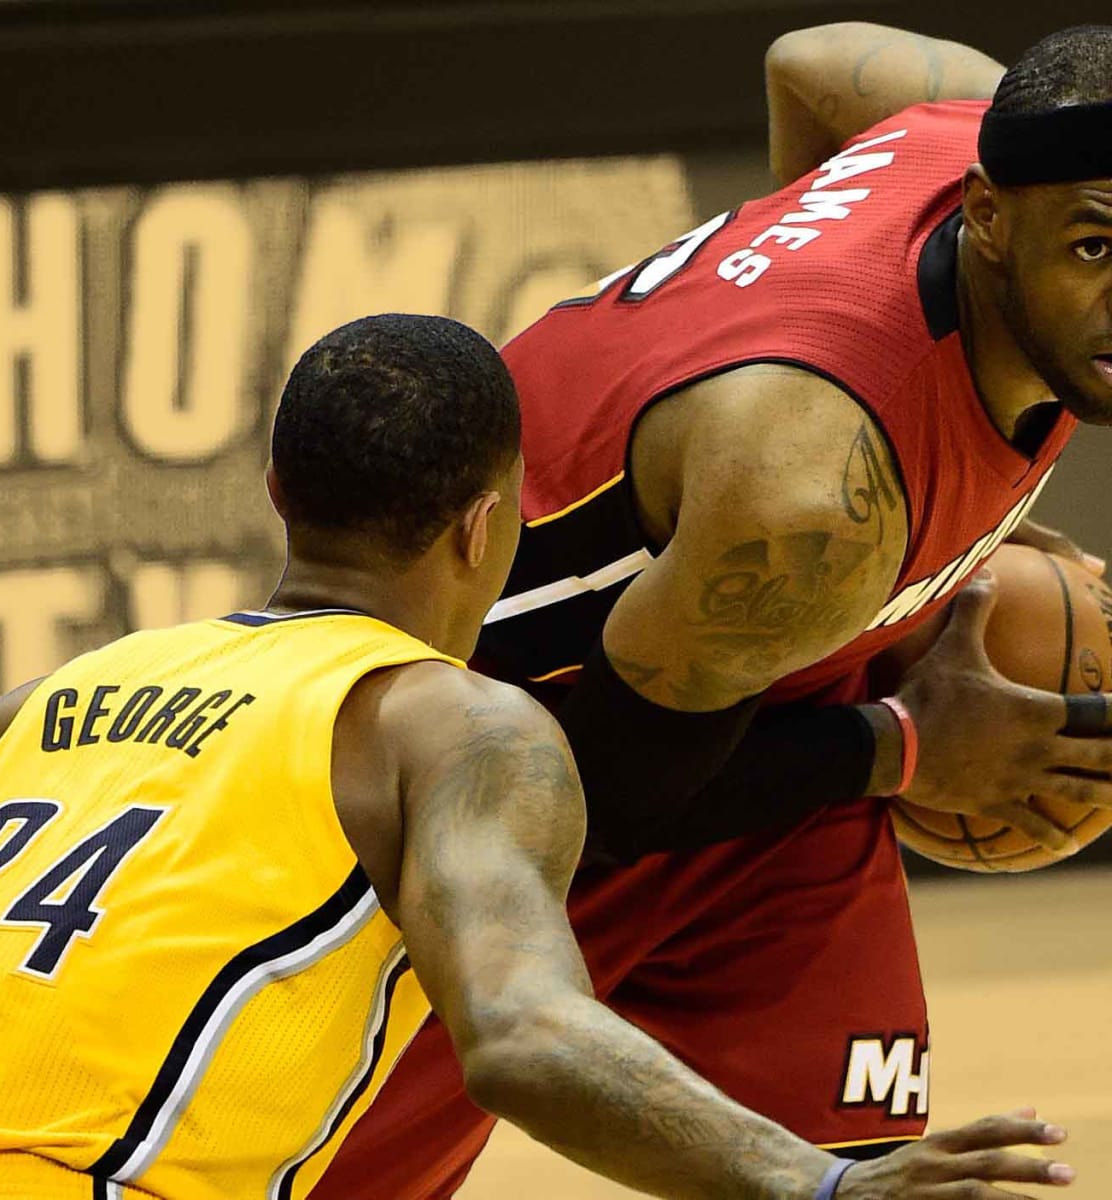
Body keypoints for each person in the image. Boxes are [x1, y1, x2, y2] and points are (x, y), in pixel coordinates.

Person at [0, 313, 1068, 1199]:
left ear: (278, 495)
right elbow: (522, 1034)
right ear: (488, 526)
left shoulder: (44, 702)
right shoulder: (454, 723)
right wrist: (816, 1181)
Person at [312, 23, 1112, 1200]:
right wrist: (908, 743)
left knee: (873, 1180)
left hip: (741, 699)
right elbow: (612, 804)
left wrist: (929, 546)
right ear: (986, 217)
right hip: (485, 774)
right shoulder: (814, 497)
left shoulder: (965, 126)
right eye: (1097, 246)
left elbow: (814, 55)